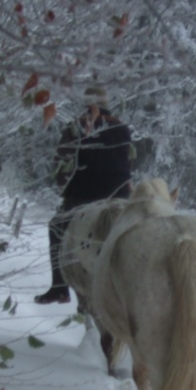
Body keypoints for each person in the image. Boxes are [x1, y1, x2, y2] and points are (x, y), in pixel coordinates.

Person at [34, 87, 134, 304]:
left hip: (85, 196)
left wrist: (65, 190)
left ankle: (59, 287)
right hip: (120, 196)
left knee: (56, 227)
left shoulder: (78, 126)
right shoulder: (123, 127)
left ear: (87, 104)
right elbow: (129, 163)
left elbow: (63, 163)